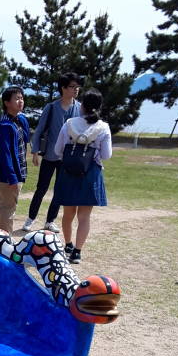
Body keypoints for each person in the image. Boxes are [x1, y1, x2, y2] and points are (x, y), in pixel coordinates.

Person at [53, 88, 112, 264]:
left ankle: (68, 244)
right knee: (84, 216)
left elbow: (57, 150)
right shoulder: (103, 127)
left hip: (69, 172)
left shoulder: (69, 123)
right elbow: (106, 155)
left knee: (68, 213)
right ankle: (77, 252)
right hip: (90, 173)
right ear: (99, 107)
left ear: (82, 105)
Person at [23, 72, 82, 233]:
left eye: (78, 86)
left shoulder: (79, 108)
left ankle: (50, 220)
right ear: (63, 88)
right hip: (50, 154)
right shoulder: (51, 107)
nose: (76, 89)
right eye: (72, 86)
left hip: (68, 157)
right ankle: (30, 218)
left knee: (60, 189)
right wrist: (35, 152)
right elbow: (40, 129)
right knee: (41, 188)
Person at [0, 86, 30, 234]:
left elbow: (26, 138)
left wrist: (22, 119)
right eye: (17, 98)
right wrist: (12, 178)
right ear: (7, 103)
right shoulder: (4, 125)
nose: (21, 101)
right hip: (9, 175)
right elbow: (5, 154)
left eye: (22, 98)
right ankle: (5, 241)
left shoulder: (17, 120)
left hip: (11, 173)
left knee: (2, 205)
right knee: (9, 208)